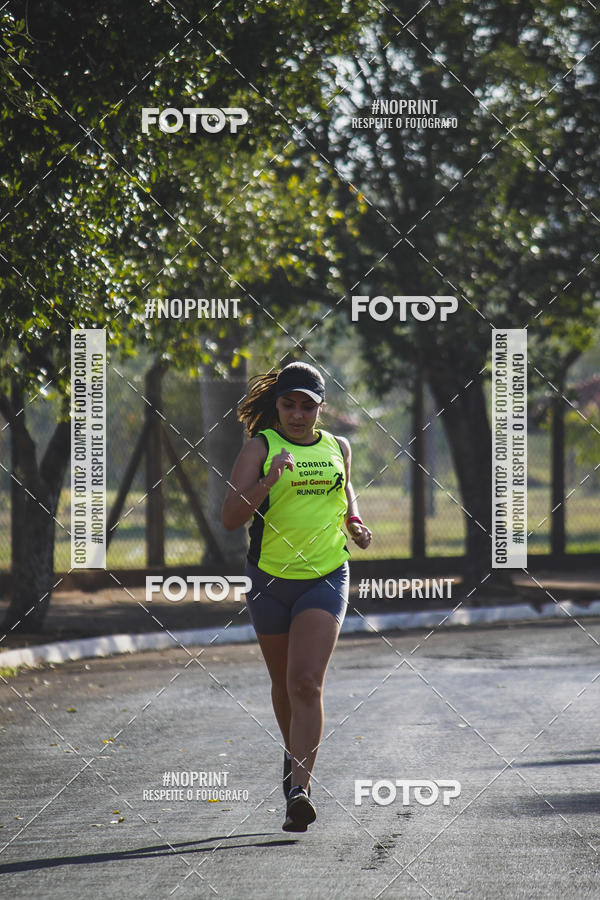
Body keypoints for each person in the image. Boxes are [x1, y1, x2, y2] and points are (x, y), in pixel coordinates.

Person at [221, 361, 372, 832]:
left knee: (305, 682)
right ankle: (293, 756)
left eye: (308, 406)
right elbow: (230, 516)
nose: (298, 415)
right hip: (268, 580)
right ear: (278, 405)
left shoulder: (338, 447)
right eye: (289, 405)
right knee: (283, 683)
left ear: (321, 407)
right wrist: (269, 479)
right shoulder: (260, 447)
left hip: (325, 575)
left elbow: (344, 489)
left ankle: (299, 792)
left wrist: (354, 522)